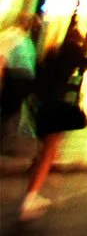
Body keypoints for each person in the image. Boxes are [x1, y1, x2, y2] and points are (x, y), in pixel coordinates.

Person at [20, 24, 87, 220]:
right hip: (54, 105)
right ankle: (30, 198)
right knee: (49, 151)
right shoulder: (71, 51)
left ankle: (36, 188)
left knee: (48, 149)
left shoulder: (52, 53)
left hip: (41, 103)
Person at [0, 14, 40, 155]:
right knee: (9, 111)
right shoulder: (11, 36)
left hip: (21, 79)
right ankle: (5, 143)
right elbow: (2, 58)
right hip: (14, 78)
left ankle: (7, 142)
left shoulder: (24, 38)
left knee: (13, 111)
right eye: (29, 22)